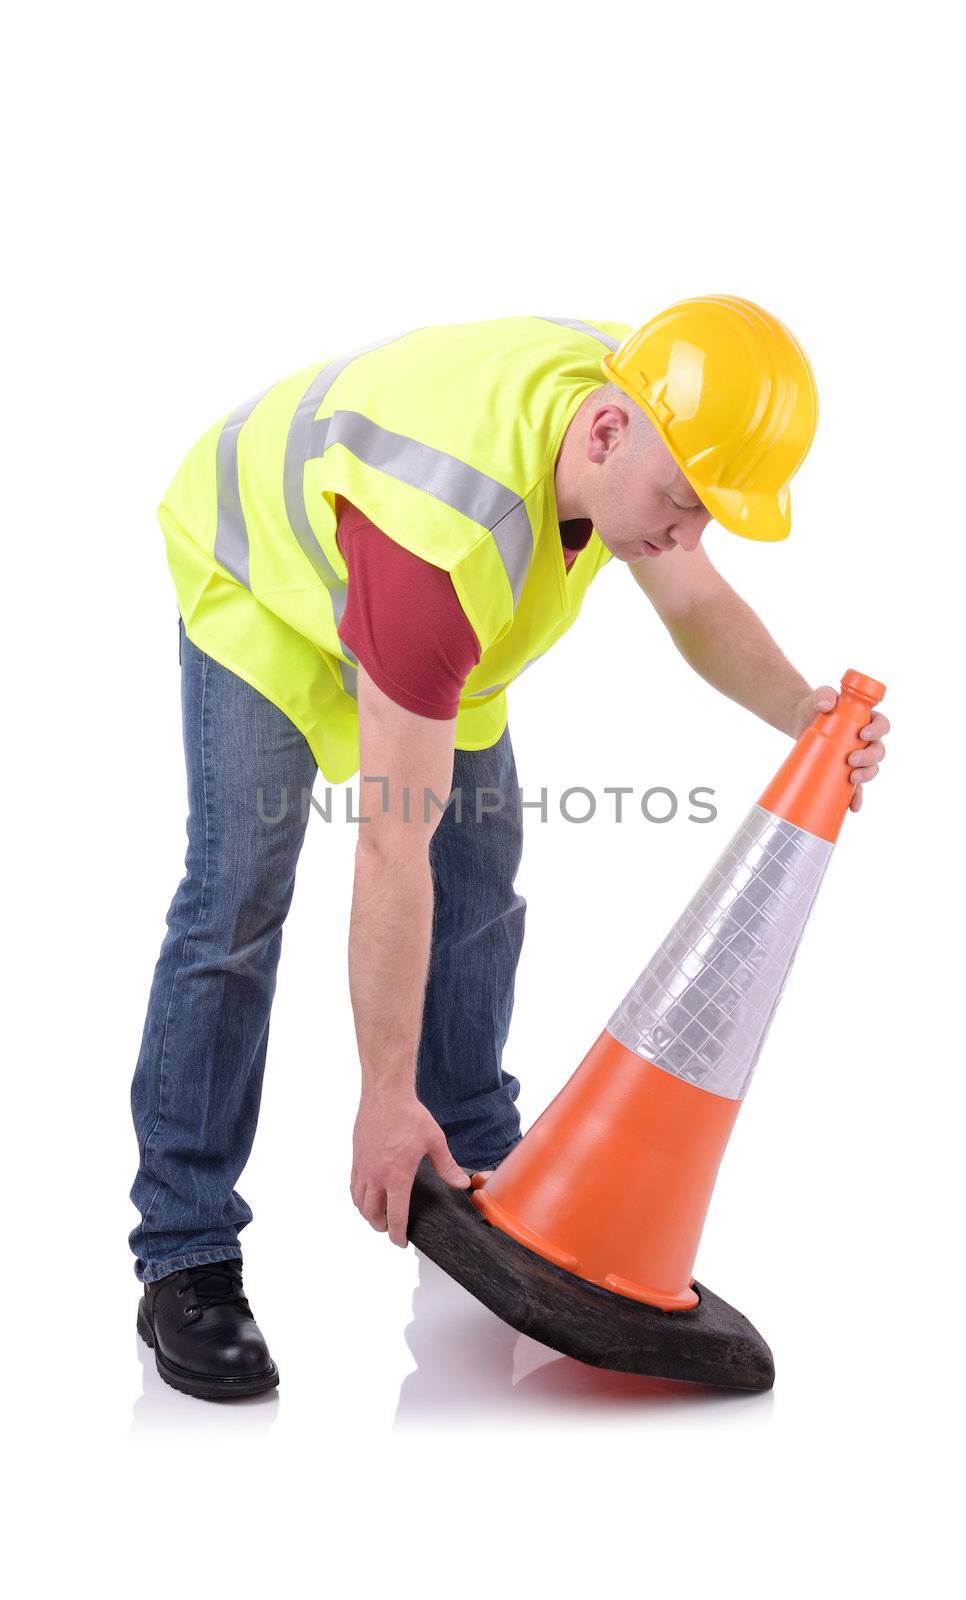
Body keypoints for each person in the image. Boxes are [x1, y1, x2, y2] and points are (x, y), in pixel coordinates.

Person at [130, 301, 890, 1399]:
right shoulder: (444, 538)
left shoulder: (645, 409)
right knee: (236, 903)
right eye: (682, 505)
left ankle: (480, 1164)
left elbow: (692, 594)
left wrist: (805, 714)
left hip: (432, 615)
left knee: (484, 877)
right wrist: (379, 1097)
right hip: (264, 578)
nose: (685, 535)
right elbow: (393, 847)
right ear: (604, 436)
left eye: (706, 512)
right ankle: (185, 1253)